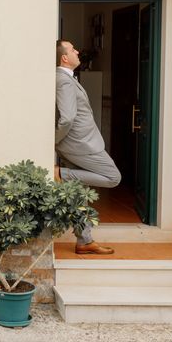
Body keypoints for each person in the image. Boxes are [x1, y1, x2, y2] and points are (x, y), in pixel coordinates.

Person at [55, 39, 121, 255]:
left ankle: (84, 240)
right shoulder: (63, 81)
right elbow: (66, 119)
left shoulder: (67, 79)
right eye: (73, 50)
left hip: (79, 143)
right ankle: (61, 174)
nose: (77, 52)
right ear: (65, 57)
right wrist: (56, 143)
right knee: (113, 177)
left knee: (78, 194)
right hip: (81, 145)